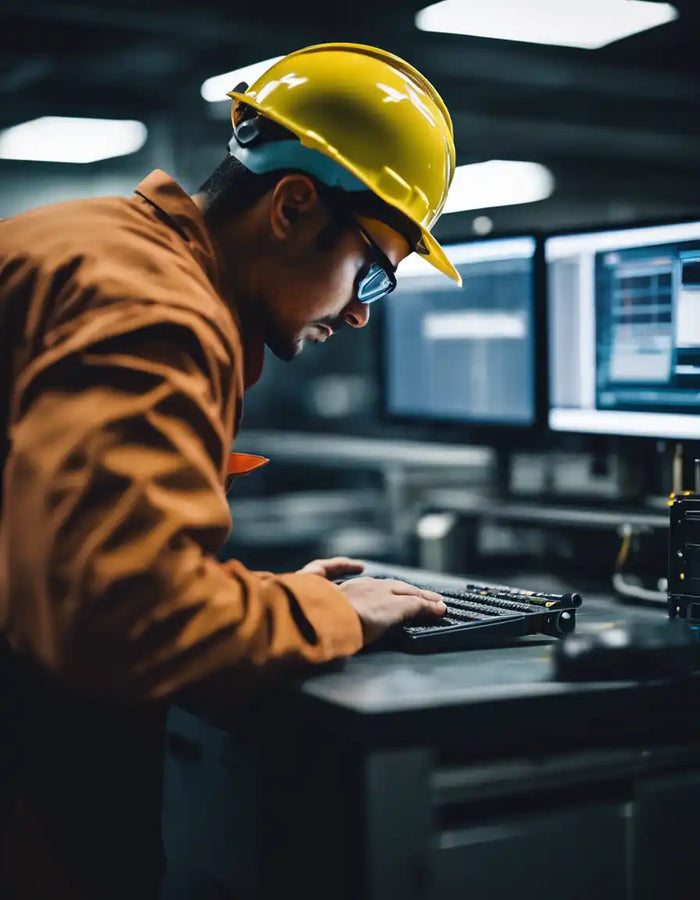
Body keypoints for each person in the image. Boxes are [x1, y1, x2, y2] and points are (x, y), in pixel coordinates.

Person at [0, 42, 461, 898]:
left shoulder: (96, 246)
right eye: (373, 271)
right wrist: (320, 612)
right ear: (291, 205)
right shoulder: (153, 308)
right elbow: (118, 623)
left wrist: (253, 602)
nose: (361, 312)